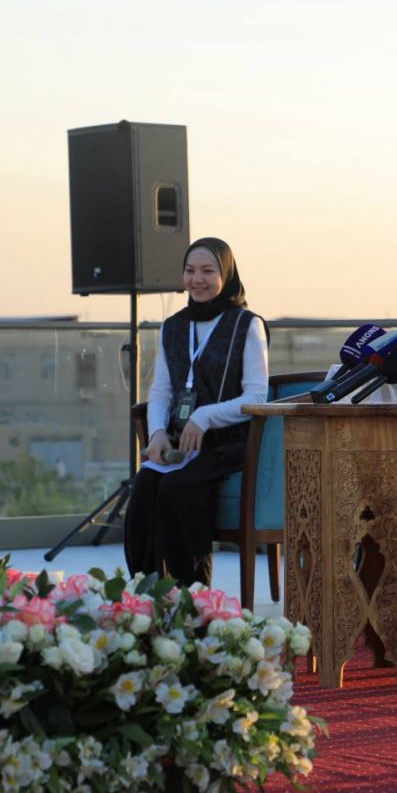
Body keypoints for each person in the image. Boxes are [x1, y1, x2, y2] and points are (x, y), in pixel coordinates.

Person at [123, 237, 269, 589]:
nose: (197, 280)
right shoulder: (173, 326)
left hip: (229, 443)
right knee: (143, 489)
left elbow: (257, 396)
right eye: (190, 271)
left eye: (208, 271)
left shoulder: (247, 325)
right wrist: (157, 432)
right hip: (180, 442)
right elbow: (162, 391)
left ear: (226, 274)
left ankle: (192, 594)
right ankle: (147, 591)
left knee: (178, 489)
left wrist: (204, 417)